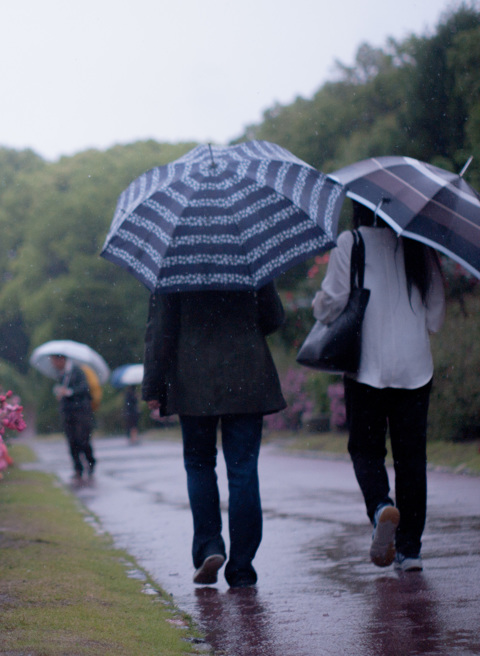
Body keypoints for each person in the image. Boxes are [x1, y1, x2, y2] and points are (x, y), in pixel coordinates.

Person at [312, 203, 445, 571]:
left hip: (366, 366)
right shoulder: (419, 245)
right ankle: (410, 550)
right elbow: (435, 318)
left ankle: (381, 506)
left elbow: (332, 305)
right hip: (414, 367)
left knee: (366, 449)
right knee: (412, 458)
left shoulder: (350, 242)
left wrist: (318, 305)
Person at [142, 284, 286, 588]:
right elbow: (273, 318)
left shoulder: (177, 261)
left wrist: (153, 384)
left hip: (193, 378)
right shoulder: (248, 251)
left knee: (199, 463)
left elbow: (162, 329)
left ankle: (209, 545)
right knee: (243, 469)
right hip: (246, 374)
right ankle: (243, 567)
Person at [50, 354, 97, 486]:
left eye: (54, 361)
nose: (53, 364)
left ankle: (90, 462)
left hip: (81, 411)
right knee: (71, 440)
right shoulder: (60, 374)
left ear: (62, 359)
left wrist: (69, 392)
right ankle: (78, 468)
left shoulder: (77, 371)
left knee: (83, 438)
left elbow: (84, 388)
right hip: (67, 412)